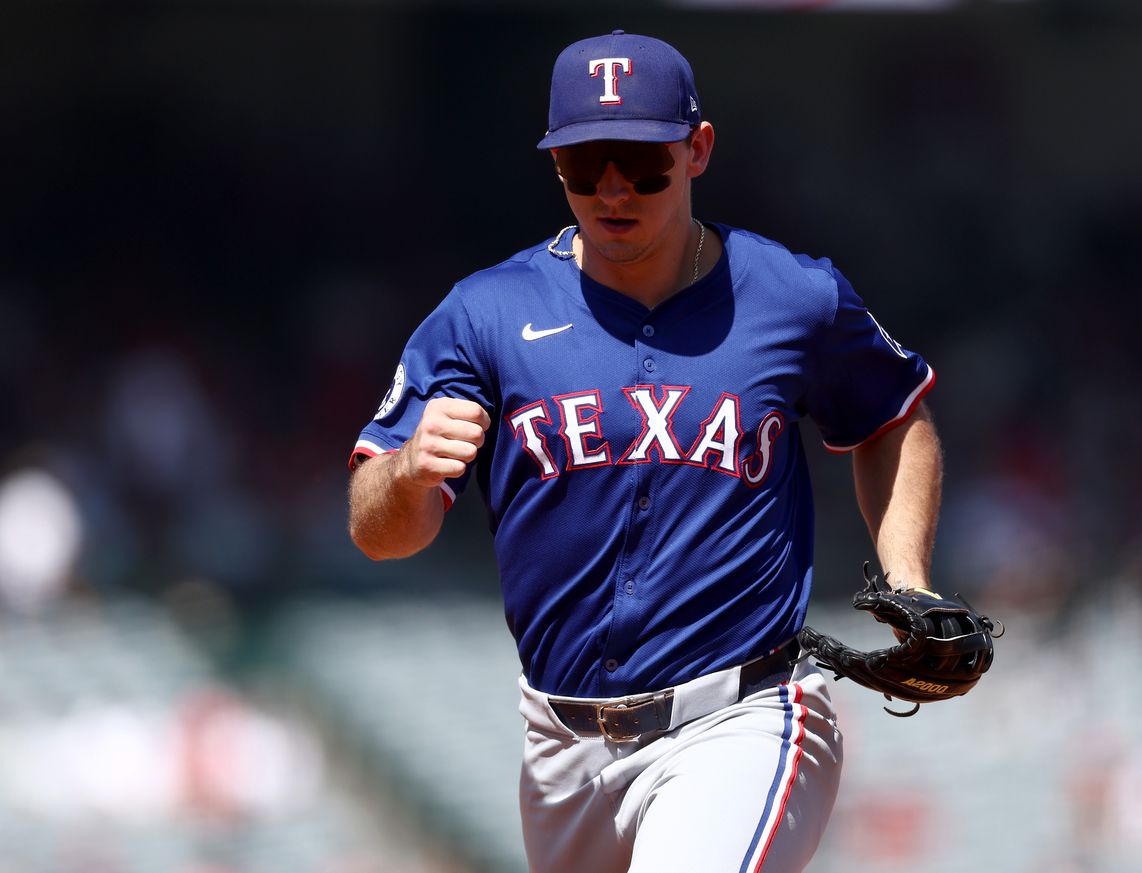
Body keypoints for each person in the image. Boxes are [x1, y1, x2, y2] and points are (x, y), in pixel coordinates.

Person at [347, 30, 942, 873]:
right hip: (560, 750)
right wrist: (407, 473)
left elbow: (894, 415)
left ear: (697, 150)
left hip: (742, 712)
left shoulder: (792, 294)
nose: (614, 189)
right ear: (553, 165)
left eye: (641, 160)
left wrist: (908, 574)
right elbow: (380, 532)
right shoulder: (484, 314)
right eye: (586, 165)